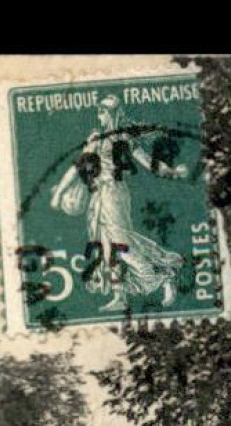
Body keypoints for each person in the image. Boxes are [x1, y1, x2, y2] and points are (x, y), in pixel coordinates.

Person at [49, 94, 190, 311]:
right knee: (108, 250)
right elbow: (78, 166)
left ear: (114, 114)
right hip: (100, 195)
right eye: (99, 111)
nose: (100, 115)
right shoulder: (97, 137)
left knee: (121, 244)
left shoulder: (125, 139)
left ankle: (161, 276)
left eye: (104, 111)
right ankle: (120, 296)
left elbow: (148, 162)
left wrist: (172, 171)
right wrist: (60, 192)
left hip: (114, 194)